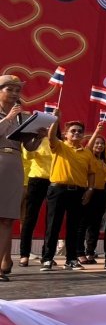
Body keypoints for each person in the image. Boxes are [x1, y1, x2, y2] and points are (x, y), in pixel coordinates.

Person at [0, 75, 46, 280]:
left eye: (17, 90)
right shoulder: (12, 115)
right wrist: (9, 117)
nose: (15, 94)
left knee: (7, 219)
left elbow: (29, 147)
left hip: (14, 164)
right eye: (10, 89)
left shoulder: (22, 116)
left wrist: (39, 136)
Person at [39, 113, 96, 271]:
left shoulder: (87, 153)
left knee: (74, 227)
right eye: (73, 131)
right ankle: (47, 258)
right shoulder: (60, 146)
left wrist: (89, 190)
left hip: (78, 192)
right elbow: (51, 136)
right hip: (57, 190)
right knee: (53, 225)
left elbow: (91, 173)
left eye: (79, 131)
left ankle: (71, 259)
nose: (76, 133)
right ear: (66, 134)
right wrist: (55, 120)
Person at [77, 123, 106, 265]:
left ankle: (91, 252)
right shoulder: (88, 155)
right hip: (88, 192)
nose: (99, 145)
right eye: (97, 143)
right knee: (82, 223)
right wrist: (97, 131)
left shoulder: (105, 161)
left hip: (101, 194)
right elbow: (89, 147)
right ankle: (79, 253)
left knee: (95, 225)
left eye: (102, 144)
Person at [19, 137, 52, 267]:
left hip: (54, 182)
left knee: (51, 221)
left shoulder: (58, 142)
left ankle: (47, 255)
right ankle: (24, 254)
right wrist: (37, 139)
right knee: (29, 218)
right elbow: (27, 155)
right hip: (36, 180)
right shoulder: (37, 140)